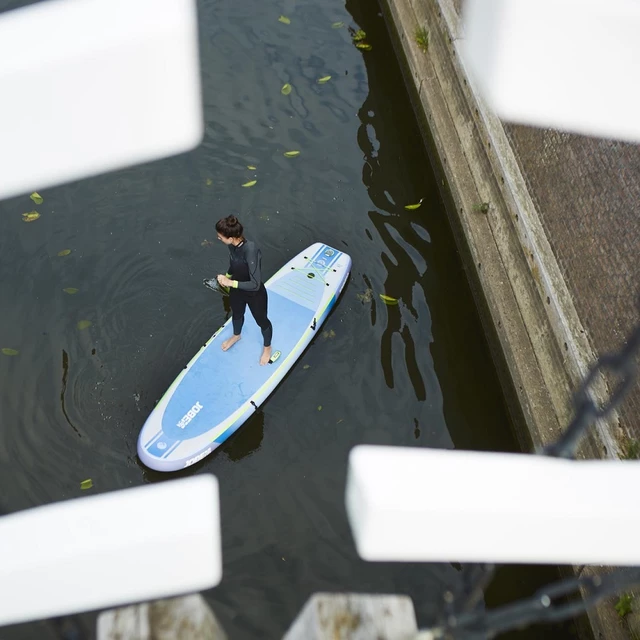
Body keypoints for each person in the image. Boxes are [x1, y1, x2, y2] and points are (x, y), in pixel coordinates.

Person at [215, 216, 273, 365]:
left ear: (231, 237)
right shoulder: (231, 245)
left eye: (220, 236)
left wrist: (230, 282)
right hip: (237, 291)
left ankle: (267, 347)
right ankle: (236, 336)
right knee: (237, 314)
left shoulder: (251, 250)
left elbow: (254, 283)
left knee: (262, 322)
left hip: (254, 294)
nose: (218, 238)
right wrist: (227, 276)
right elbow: (234, 264)